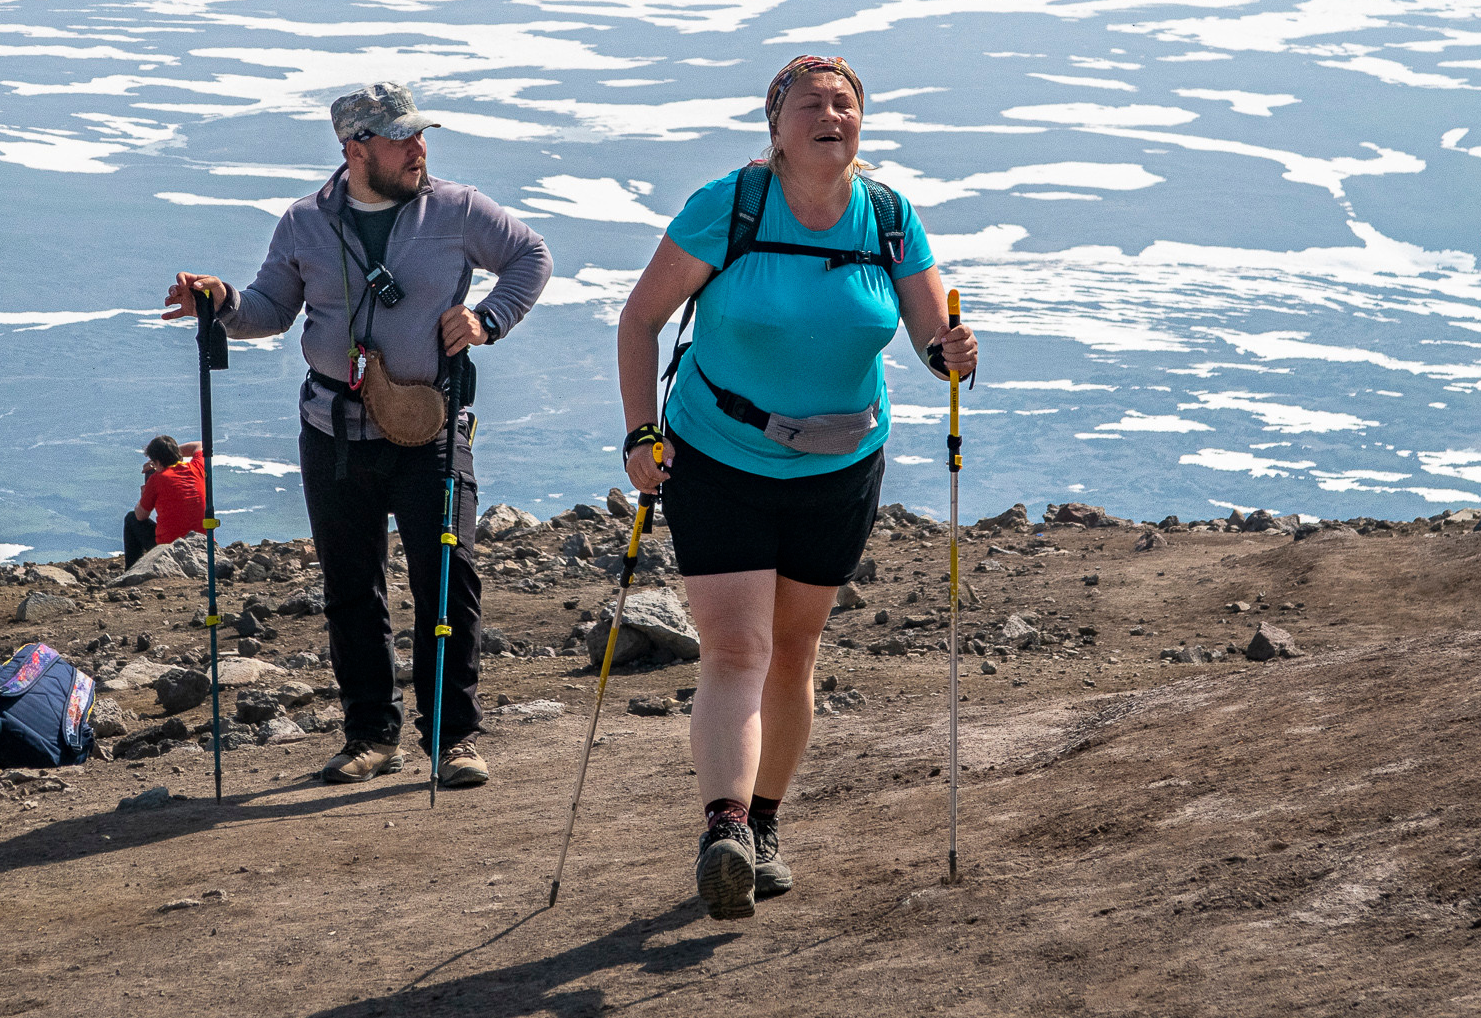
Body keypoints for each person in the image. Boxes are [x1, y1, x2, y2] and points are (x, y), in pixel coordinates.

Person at [616, 55, 977, 921]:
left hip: (840, 466)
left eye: (845, 102)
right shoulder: (729, 205)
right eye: (810, 101)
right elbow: (639, 319)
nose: (831, 113)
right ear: (775, 124)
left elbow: (933, 332)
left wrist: (951, 353)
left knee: (795, 651)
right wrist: (639, 433)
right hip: (717, 455)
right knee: (738, 649)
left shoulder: (888, 217)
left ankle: (764, 826)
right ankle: (726, 830)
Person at [164, 83, 551, 790]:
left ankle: (454, 737)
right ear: (355, 148)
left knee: (448, 579)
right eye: (401, 138)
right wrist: (219, 303)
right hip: (333, 432)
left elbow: (530, 256)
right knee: (350, 587)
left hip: (428, 429)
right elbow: (270, 309)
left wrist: (488, 318)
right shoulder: (305, 222)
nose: (418, 148)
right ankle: (371, 735)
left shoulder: (458, 208)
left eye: (419, 135)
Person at [125, 435, 204, 568]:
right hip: (202, 544)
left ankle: (132, 571)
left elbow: (141, 515)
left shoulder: (156, 480)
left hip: (169, 549)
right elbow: (200, 445)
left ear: (158, 462)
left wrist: (144, 496)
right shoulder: (197, 468)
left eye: (154, 463)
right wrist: (170, 452)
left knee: (131, 519)